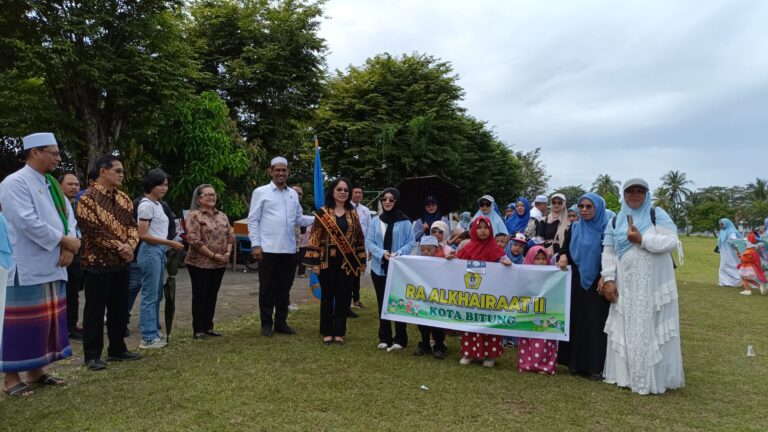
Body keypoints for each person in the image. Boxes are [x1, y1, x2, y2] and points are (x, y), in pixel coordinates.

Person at [0, 132, 77, 396]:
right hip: (26, 265)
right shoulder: (15, 182)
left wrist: (68, 245)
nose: (58, 158)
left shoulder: (51, 184)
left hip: (53, 262)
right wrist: (63, 240)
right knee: (19, 324)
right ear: (35, 152)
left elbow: (69, 217)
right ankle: (11, 379)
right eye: (53, 153)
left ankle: (36, 370)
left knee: (45, 322)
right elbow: (25, 221)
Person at [601, 178, 685, 395]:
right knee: (627, 324)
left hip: (653, 285)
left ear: (647, 194)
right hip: (627, 284)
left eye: (640, 191)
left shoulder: (657, 214)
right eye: (630, 191)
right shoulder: (615, 221)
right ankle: (626, 376)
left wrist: (642, 240)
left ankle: (652, 377)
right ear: (624, 195)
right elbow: (608, 253)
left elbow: (671, 241)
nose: (635, 195)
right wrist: (608, 279)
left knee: (651, 325)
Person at [76, 154, 142, 371]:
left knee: (119, 308)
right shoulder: (87, 198)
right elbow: (93, 231)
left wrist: (130, 245)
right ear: (103, 171)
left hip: (122, 262)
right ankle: (92, 355)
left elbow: (132, 226)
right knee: (95, 310)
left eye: (122, 171)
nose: (122, 174)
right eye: (118, 171)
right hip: (97, 262)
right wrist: (121, 247)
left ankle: (117, 348)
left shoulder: (124, 198)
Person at [248, 156, 314, 336]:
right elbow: (253, 220)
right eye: (277, 170)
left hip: (289, 249)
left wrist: (319, 219)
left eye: (284, 170)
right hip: (268, 249)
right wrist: (256, 245)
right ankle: (266, 324)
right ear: (271, 172)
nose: (281, 173)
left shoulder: (293, 194)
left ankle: (281, 323)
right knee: (267, 288)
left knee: (284, 288)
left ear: (288, 172)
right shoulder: (261, 192)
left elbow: (298, 219)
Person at [304, 178, 366, 345]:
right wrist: (314, 263)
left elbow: (359, 238)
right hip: (326, 262)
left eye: (346, 190)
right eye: (339, 189)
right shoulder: (323, 213)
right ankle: (326, 331)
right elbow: (314, 237)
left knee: (343, 297)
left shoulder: (353, 214)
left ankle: (339, 332)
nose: (343, 192)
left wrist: (361, 260)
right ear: (332, 191)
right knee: (327, 297)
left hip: (347, 263)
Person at [556, 192, 609, 380]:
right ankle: (575, 364)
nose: (584, 210)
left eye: (589, 206)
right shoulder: (575, 227)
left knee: (595, 322)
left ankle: (595, 367)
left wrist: (605, 275)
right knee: (577, 320)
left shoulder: (606, 229)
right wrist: (563, 254)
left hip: (598, 282)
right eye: (581, 206)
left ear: (598, 208)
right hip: (577, 280)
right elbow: (565, 248)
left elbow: (610, 255)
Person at [135, 169, 184, 349]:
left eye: (166, 185)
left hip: (159, 251)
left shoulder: (158, 205)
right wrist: (170, 243)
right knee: (150, 295)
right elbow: (143, 235)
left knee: (156, 294)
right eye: (160, 185)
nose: (164, 188)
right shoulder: (146, 205)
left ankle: (153, 332)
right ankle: (148, 337)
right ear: (151, 185)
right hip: (150, 251)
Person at [457, 217, 513, 367]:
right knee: (471, 321)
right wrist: (450, 259)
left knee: (490, 322)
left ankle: (490, 355)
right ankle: (469, 352)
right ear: (474, 230)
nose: (482, 230)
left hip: (490, 295)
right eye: (479, 227)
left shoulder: (496, 249)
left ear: (491, 229)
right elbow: (457, 264)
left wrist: (506, 263)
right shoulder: (467, 248)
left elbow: (504, 261)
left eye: (486, 227)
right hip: (472, 293)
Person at [365, 187, 414, 351]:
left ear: (396, 201)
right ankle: (384, 337)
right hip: (379, 268)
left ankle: (400, 338)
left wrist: (398, 253)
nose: (387, 202)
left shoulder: (405, 222)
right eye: (384, 199)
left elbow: (410, 242)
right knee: (382, 302)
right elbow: (369, 241)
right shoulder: (375, 221)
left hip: (398, 268)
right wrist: (382, 253)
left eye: (391, 199)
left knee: (399, 302)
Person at [185, 184, 234, 338]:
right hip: (200, 262)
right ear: (199, 199)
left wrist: (228, 252)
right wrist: (212, 255)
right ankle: (198, 329)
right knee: (200, 295)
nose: (212, 197)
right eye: (208, 195)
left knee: (212, 294)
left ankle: (208, 326)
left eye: (214, 194)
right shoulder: (194, 216)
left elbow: (230, 236)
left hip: (220, 263)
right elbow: (194, 240)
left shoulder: (222, 215)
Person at [518, 245, 559, 375]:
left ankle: (544, 366)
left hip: (545, 312)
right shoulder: (524, 275)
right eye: (537, 259)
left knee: (545, 338)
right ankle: (527, 364)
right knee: (528, 336)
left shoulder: (553, 275)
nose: (541, 261)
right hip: (530, 311)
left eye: (543, 258)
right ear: (530, 259)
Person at [58, 172, 84, 340]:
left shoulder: (81, 206)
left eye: (76, 184)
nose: (74, 187)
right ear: (60, 186)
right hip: (61, 253)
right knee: (62, 292)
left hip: (78, 254)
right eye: (70, 184)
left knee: (74, 292)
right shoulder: (55, 204)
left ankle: (72, 325)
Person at [413, 235, 448, 359]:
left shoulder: (443, 262)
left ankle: (439, 346)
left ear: (436, 249)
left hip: (437, 300)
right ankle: (425, 345)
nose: (425, 252)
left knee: (437, 324)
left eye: (429, 249)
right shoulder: (417, 262)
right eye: (422, 249)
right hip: (422, 298)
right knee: (422, 324)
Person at [350, 184, 372, 310]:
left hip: (361, 248)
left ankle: (356, 300)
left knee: (357, 274)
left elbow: (369, 231)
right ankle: (345, 299)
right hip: (347, 247)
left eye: (360, 192)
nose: (358, 194)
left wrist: (368, 249)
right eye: (356, 192)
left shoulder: (366, 210)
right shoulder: (345, 207)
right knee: (347, 273)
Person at [717, 218, 742, 287]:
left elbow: (735, 242)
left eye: (722, 224)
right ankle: (723, 281)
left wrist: (738, 251)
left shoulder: (731, 231)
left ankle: (737, 281)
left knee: (732, 265)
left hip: (731, 253)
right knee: (723, 266)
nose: (720, 226)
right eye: (720, 224)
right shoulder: (722, 231)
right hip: (724, 252)